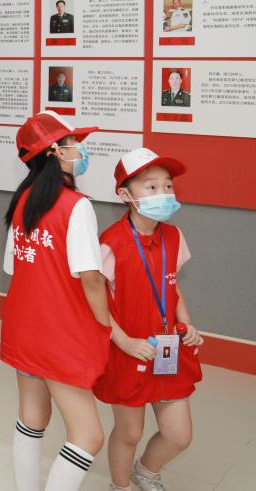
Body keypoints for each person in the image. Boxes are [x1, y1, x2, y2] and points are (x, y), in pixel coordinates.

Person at [1, 111, 112, 491]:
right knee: (88, 436)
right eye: (73, 143)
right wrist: (106, 326)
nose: (80, 150)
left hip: (24, 327)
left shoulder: (22, 201)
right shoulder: (76, 205)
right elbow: (91, 278)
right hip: (58, 333)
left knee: (31, 419)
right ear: (55, 153)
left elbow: (13, 266)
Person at [96, 149, 203, 491]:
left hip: (167, 351)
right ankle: (119, 485)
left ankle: (146, 471)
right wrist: (124, 341)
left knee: (179, 435)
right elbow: (94, 301)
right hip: (128, 350)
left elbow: (172, 286)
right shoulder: (111, 243)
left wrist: (186, 323)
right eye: (151, 187)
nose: (164, 194)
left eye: (168, 186)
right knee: (130, 432)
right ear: (126, 195)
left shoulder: (174, 236)